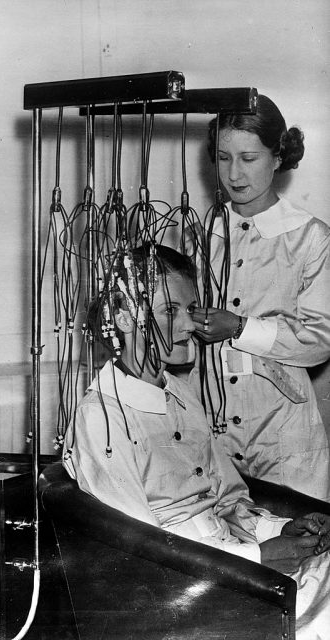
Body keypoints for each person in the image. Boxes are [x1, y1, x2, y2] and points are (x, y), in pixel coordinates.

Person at [63, 244, 330, 639]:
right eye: (170, 311)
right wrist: (257, 557)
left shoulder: (179, 392)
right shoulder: (100, 418)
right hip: (188, 593)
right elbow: (140, 549)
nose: (189, 325)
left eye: (190, 309)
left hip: (230, 563)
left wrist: (279, 531)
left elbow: (228, 499)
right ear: (123, 316)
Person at [189, 94, 330, 501]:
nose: (234, 173)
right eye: (223, 157)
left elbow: (320, 341)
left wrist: (238, 328)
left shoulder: (311, 238)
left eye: (248, 159)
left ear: (278, 156)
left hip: (287, 441)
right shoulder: (201, 233)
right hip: (214, 435)